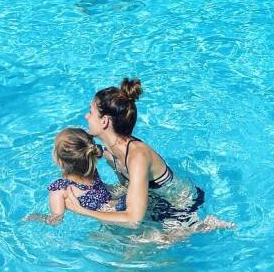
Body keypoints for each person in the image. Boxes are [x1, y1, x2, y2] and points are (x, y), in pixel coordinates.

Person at [65, 78, 233, 232]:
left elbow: (133, 220)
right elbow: (127, 187)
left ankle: (202, 225)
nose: (86, 116)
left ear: (104, 121)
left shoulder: (137, 157)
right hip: (154, 201)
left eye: (91, 112)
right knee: (102, 234)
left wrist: (83, 211)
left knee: (137, 256)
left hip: (181, 207)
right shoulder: (111, 152)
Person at [27, 128, 117, 225]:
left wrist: (37, 217)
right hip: (115, 207)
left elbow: (56, 220)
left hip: (105, 223)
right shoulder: (92, 170)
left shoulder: (59, 189)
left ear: (60, 161)